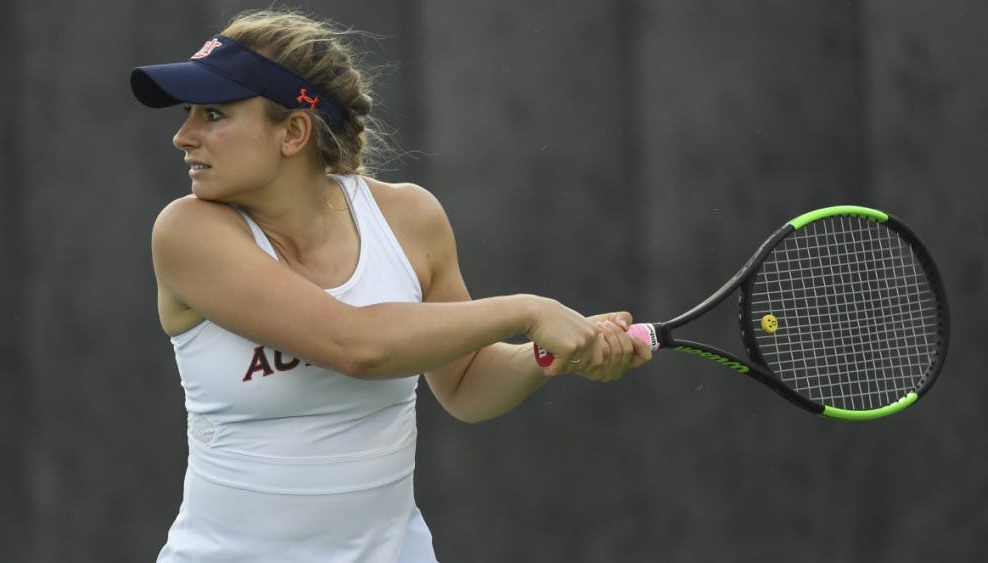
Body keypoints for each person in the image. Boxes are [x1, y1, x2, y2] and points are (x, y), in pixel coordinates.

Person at [131, 9, 652, 562]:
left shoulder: (410, 218)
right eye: (190, 113)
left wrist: (548, 357)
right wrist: (528, 310)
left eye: (213, 114)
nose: (183, 136)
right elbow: (356, 346)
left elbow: (468, 384)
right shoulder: (188, 232)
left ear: (293, 132)